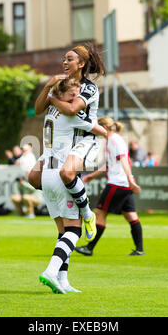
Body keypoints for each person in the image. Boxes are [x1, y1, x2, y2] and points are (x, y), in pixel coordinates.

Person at [29, 43, 106, 242]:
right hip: (58, 145)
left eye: (69, 59)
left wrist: (52, 98)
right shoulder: (60, 85)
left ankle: (87, 213)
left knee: (66, 173)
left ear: (81, 63)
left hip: (83, 140)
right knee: (34, 178)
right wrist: (48, 85)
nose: (64, 62)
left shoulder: (89, 87)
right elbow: (38, 110)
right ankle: (62, 269)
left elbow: (72, 109)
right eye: (64, 59)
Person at [38, 79, 106, 294]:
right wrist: (110, 134)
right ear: (64, 94)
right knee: (74, 231)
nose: (77, 100)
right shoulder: (70, 114)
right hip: (60, 177)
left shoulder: (51, 111)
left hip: (46, 175)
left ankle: (62, 280)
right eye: (74, 94)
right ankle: (50, 271)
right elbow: (98, 129)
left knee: (63, 232)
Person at [75, 116, 145, 257]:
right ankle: (139, 250)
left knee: (100, 213)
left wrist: (130, 179)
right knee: (131, 216)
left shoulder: (114, 140)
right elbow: (110, 164)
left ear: (104, 128)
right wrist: (92, 176)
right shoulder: (112, 140)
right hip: (123, 184)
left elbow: (124, 160)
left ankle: (89, 248)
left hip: (117, 183)